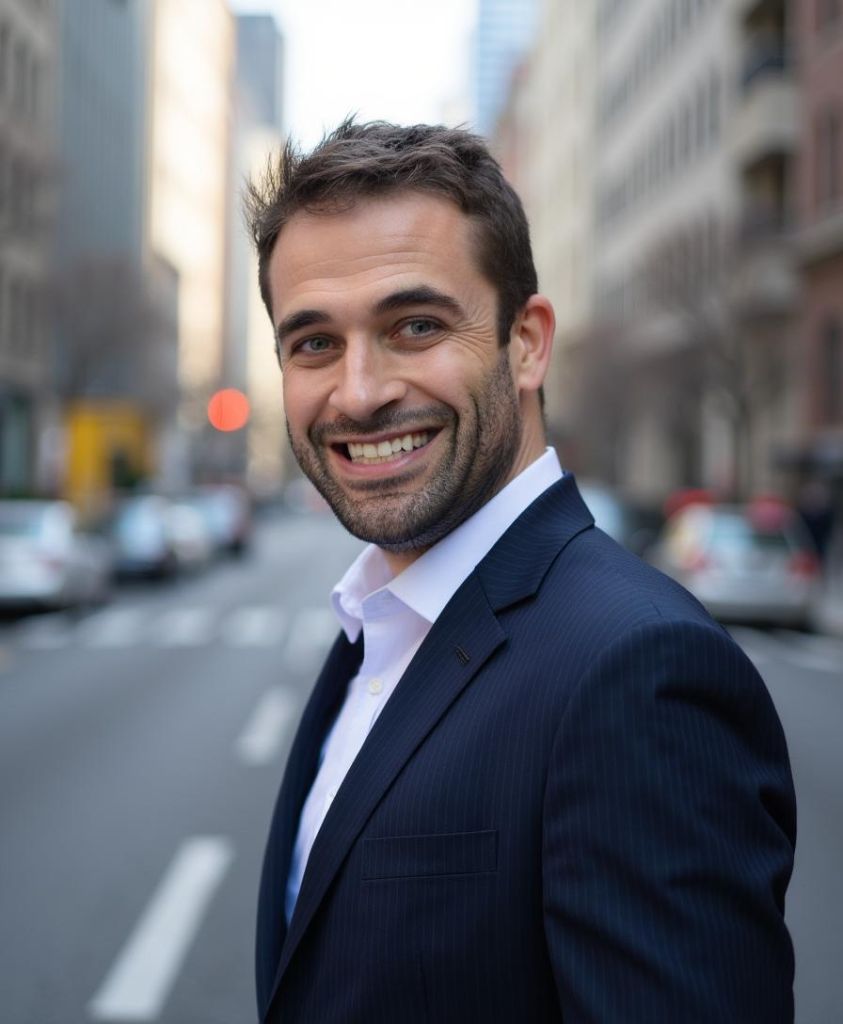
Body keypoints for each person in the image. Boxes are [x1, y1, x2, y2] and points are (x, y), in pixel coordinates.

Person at [247, 119, 796, 1023]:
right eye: (312, 343)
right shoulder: (384, 623)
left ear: (527, 342)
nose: (356, 391)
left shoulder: (638, 671)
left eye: (414, 325)